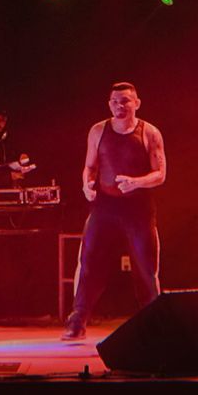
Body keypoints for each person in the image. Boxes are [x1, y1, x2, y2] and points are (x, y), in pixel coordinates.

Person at [63, 82, 167, 340]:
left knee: (145, 266)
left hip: (138, 206)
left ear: (136, 103)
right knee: (89, 262)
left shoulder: (149, 132)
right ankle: (78, 320)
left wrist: (136, 182)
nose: (120, 106)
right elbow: (90, 166)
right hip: (105, 205)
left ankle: (154, 320)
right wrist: (87, 185)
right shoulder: (98, 130)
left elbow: (160, 174)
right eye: (115, 102)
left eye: (125, 101)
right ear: (109, 104)